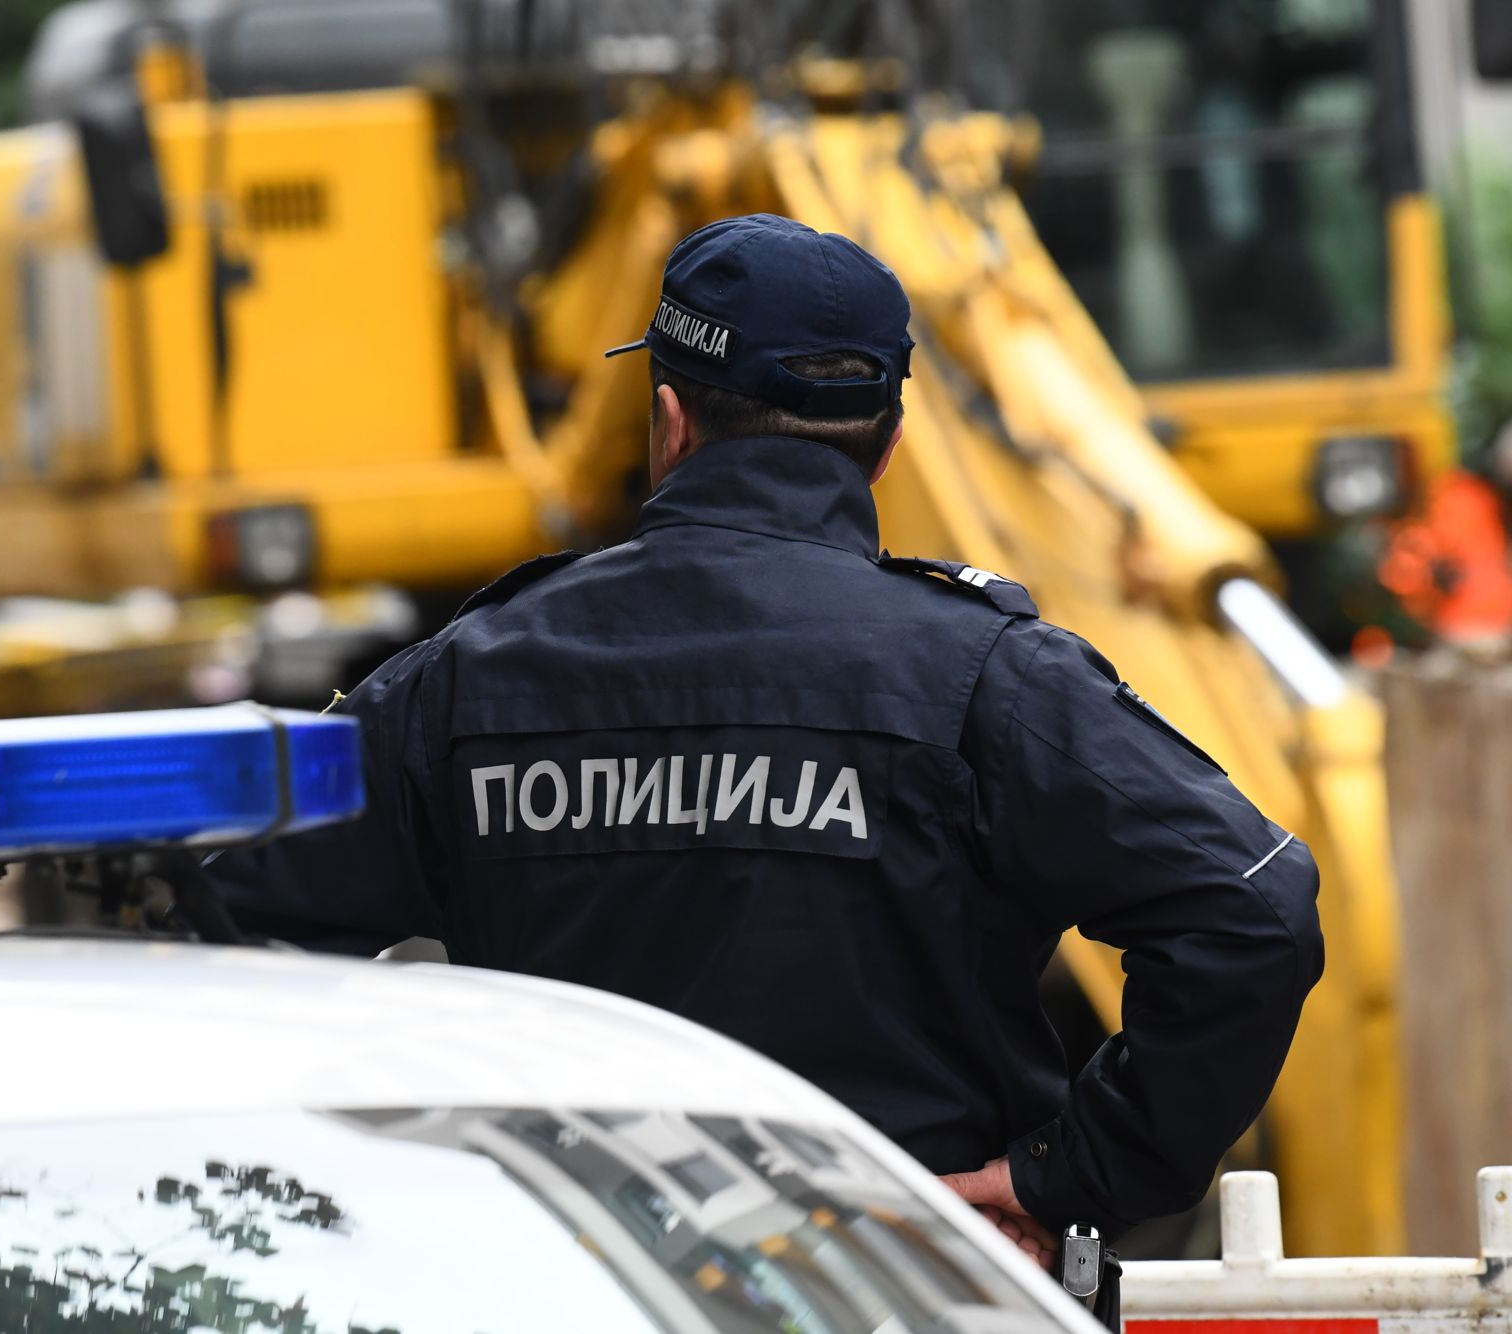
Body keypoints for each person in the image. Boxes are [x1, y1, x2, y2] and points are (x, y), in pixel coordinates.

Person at [216, 213, 1323, 1263]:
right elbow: (1251, 908)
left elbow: (225, 933)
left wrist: (400, 1186)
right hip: (911, 1283)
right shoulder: (988, 677)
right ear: (885, 446)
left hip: (574, 1283)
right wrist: (1067, 1174)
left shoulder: (468, 678)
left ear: (668, 422)